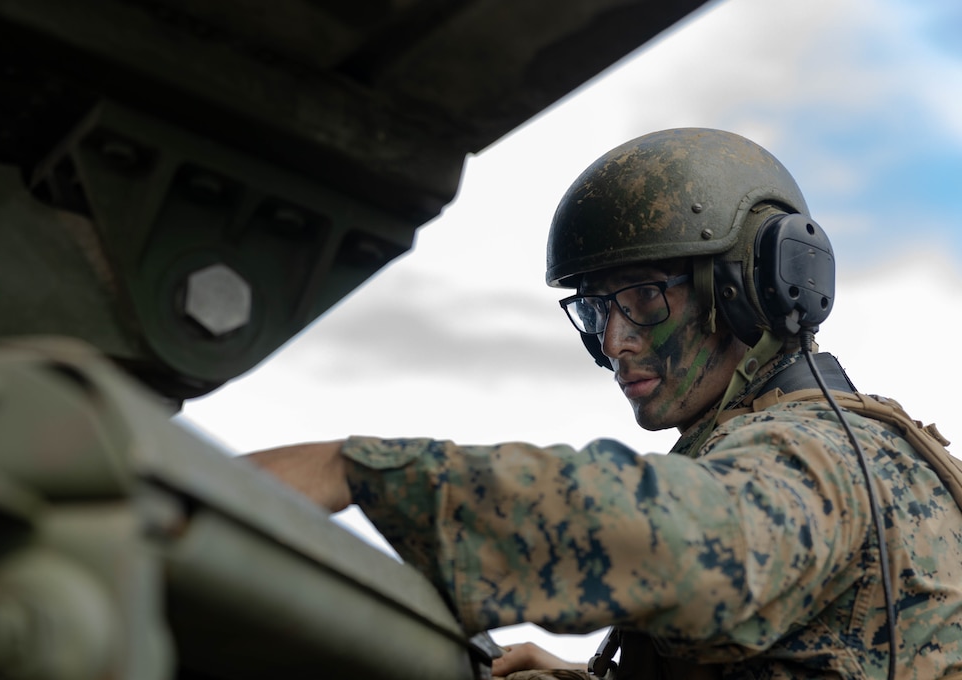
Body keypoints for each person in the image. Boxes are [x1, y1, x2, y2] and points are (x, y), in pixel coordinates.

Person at [248, 128, 962, 679]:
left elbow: (693, 544)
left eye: (646, 298)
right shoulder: (819, 451)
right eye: (594, 310)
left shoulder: (827, 457)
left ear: (752, 290)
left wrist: (358, 472)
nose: (615, 341)